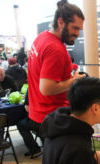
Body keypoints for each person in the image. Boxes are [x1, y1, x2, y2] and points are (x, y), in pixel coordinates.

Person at [27, 0, 85, 133]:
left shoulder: (41, 38)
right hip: (53, 117)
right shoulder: (55, 49)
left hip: (38, 114)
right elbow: (46, 88)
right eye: (75, 28)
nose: (77, 34)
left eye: (79, 29)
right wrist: (73, 81)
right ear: (61, 22)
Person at [16, 91, 41, 157]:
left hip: (41, 120)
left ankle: (34, 149)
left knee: (21, 124)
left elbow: (27, 108)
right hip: (55, 118)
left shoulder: (32, 88)